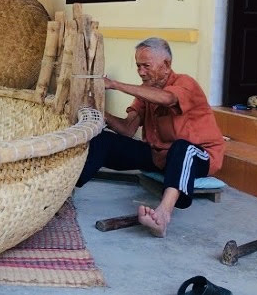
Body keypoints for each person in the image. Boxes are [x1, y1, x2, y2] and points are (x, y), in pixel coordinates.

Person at [76, 37, 224, 237]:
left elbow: (168, 98)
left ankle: (163, 216)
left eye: (146, 66)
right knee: (103, 140)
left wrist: (114, 84)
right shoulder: (145, 92)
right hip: (159, 156)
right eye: (138, 66)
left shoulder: (185, 83)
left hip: (198, 156)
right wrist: (99, 114)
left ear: (166, 65)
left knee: (182, 148)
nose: (140, 71)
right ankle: (63, 193)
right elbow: (128, 129)